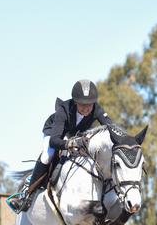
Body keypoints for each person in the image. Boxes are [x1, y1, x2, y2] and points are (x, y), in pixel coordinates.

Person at [8, 79, 114, 213]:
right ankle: (26, 194)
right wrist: (71, 143)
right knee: (47, 156)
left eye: (89, 105)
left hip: (75, 134)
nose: (87, 108)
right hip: (55, 133)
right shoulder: (63, 110)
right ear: (75, 102)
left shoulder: (96, 109)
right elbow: (54, 141)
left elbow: (111, 127)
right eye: (82, 105)